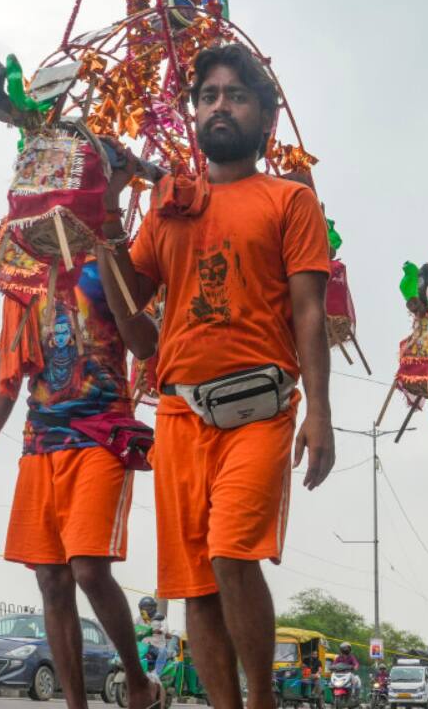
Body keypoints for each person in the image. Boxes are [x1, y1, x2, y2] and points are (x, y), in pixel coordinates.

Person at [96, 43, 335, 709]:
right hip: (177, 414)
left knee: (232, 555)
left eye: (235, 95)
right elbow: (132, 315)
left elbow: (310, 312)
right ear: (193, 114)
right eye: (207, 96)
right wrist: (112, 213)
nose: (219, 105)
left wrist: (319, 412)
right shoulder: (167, 209)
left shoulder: (289, 201)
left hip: (258, 409)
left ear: (264, 118)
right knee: (195, 586)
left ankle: (261, 700)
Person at [0, 257, 161, 709]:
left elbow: (146, 341)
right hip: (41, 442)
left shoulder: (107, 263)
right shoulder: (24, 280)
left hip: (102, 435)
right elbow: (5, 379)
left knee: (87, 567)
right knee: (51, 580)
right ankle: (75, 705)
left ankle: (138, 684)